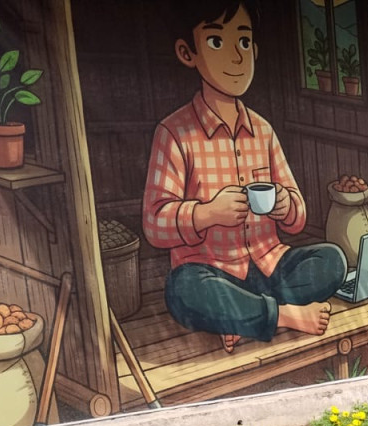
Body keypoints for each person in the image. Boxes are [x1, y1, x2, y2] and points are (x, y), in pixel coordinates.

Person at [142, 1, 346, 355]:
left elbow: (299, 217)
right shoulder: (173, 133)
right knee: (182, 290)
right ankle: (282, 315)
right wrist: (207, 213)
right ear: (187, 52)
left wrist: (285, 205)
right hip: (211, 272)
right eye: (217, 43)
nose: (236, 57)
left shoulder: (263, 130)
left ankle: (240, 317)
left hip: (270, 265)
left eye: (245, 42)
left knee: (333, 261)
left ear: (256, 50)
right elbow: (154, 224)